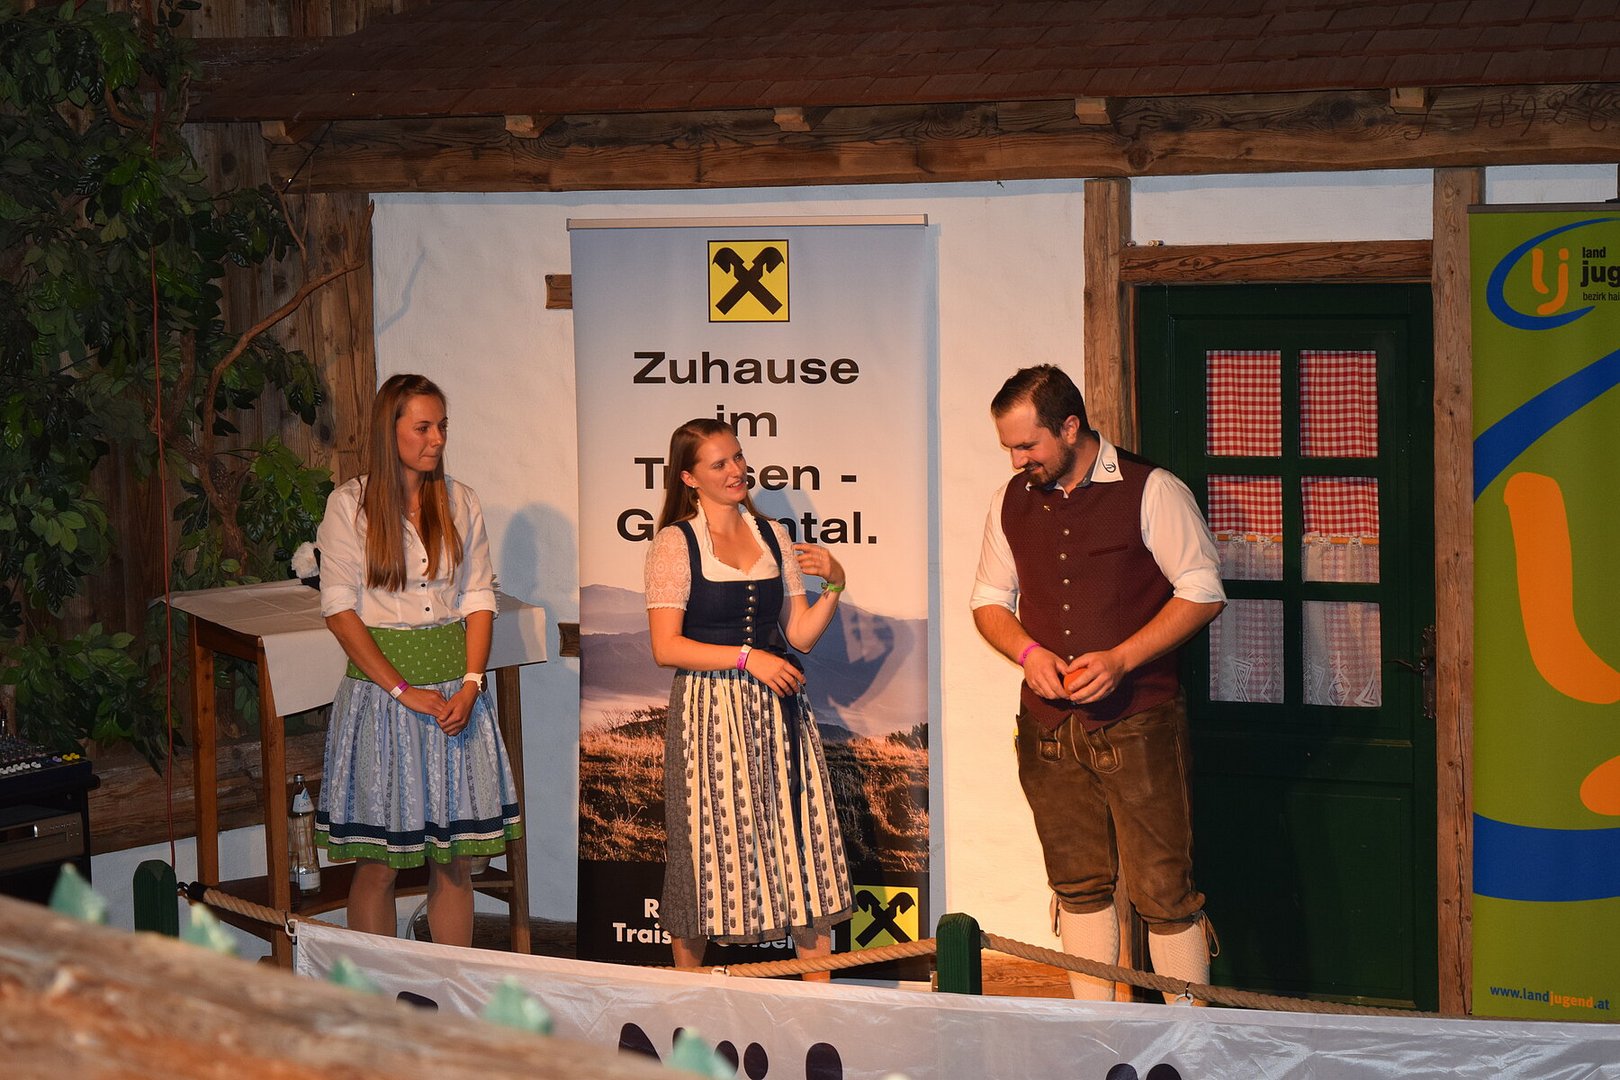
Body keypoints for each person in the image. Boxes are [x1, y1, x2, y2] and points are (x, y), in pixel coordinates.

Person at [970, 365, 1226, 1002]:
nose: (1017, 459)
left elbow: (1202, 591)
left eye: (1027, 444)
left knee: (1164, 891)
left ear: (1069, 426)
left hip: (1139, 720)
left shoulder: (1151, 488)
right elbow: (988, 600)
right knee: (1077, 886)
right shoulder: (1010, 499)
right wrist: (1027, 652)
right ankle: (1095, 1034)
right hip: (1047, 727)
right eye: (1009, 447)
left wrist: (1121, 659)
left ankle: (1187, 1041)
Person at [314, 373, 522, 947]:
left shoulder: (460, 500)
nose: (437, 440)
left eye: (442, 427)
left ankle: (450, 986)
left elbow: (478, 598)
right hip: (384, 697)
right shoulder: (349, 506)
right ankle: (376, 988)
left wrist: (472, 685)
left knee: (454, 860)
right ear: (391, 430)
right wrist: (404, 691)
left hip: (455, 695)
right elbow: (339, 611)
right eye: (424, 427)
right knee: (380, 863)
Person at [644, 418, 854, 979]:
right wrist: (747, 658)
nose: (737, 470)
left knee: (801, 841)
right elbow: (666, 647)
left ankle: (818, 1001)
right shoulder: (675, 543)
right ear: (690, 477)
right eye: (720, 463)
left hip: (778, 713)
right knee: (704, 850)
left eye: (738, 457)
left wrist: (835, 584)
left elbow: (800, 634)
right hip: (708, 714)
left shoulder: (772, 535)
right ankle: (687, 997)